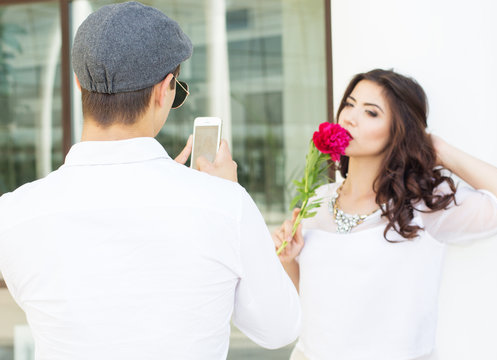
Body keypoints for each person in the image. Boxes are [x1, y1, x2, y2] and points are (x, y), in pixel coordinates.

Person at [0, 2, 300, 359]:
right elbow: (278, 329)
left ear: (79, 84)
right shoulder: (224, 205)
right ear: (165, 89)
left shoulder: (14, 214)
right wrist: (220, 193)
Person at [273, 69, 497, 360]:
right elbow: (316, 307)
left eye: (371, 113)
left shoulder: (423, 205)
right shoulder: (319, 200)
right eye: (349, 104)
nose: (349, 117)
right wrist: (289, 261)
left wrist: (441, 150)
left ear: (398, 129)